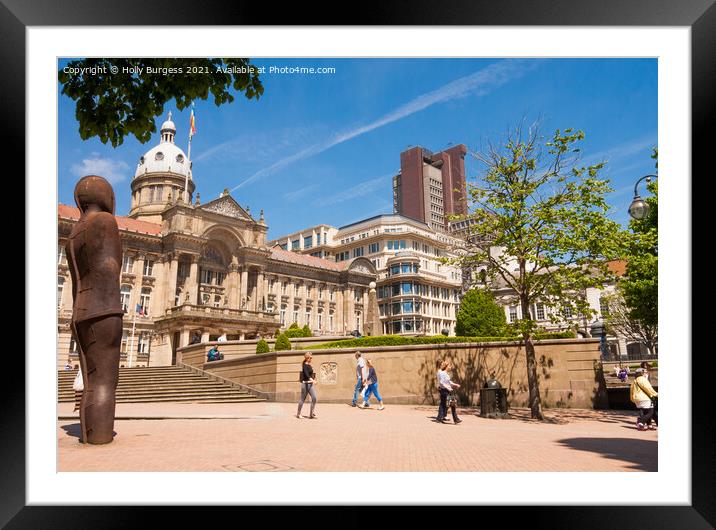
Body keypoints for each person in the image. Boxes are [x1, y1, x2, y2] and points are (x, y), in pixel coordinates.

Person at [297, 352, 318, 419]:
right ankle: (298, 414)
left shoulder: (309, 365)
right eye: (311, 358)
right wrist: (313, 381)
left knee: (314, 398)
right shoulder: (305, 366)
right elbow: (307, 375)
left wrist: (314, 379)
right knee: (302, 399)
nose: (311, 359)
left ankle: (311, 414)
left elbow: (311, 374)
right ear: (307, 358)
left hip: (310, 385)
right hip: (305, 384)